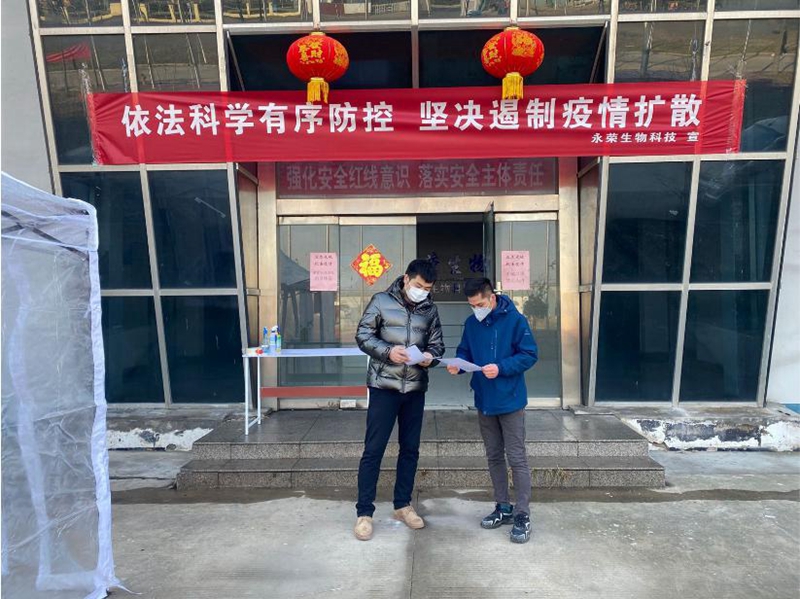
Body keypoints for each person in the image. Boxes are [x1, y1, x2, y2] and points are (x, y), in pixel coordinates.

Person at [353, 259, 444, 541]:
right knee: (374, 450)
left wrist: (430, 358)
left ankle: (402, 505)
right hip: (384, 386)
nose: (422, 292)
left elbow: (438, 346)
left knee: (410, 449)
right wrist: (388, 351)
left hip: (415, 389)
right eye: (418, 286)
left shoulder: (430, 310)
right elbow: (363, 335)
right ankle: (364, 513)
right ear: (406, 279)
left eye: (427, 288)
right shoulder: (381, 301)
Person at [447, 277, 538, 544]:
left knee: (517, 458)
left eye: (480, 304)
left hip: (510, 399)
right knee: (494, 456)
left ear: (492, 298)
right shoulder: (471, 323)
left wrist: (501, 368)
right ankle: (503, 506)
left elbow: (529, 354)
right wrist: (458, 364)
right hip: (485, 400)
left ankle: (522, 514)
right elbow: (465, 351)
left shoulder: (515, 320)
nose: (476, 309)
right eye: (472, 305)